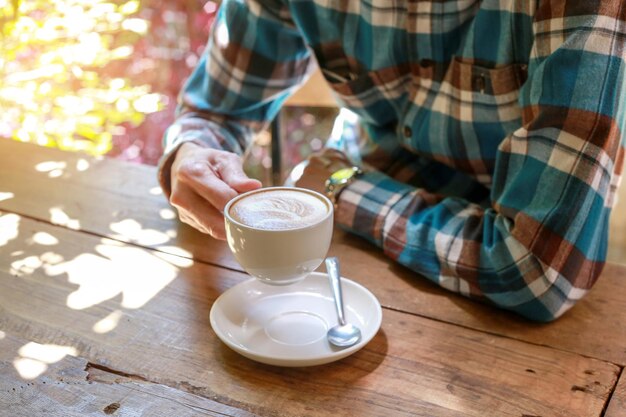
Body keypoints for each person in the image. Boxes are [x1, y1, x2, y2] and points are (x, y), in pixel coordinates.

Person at [158, 0, 626, 322]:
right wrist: (190, 151)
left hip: (498, 284)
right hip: (356, 245)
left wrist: (341, 185)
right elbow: (215, 110)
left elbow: (539, 271)